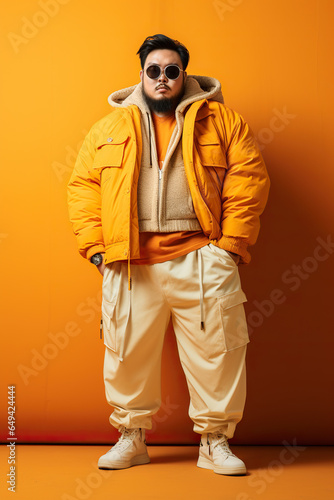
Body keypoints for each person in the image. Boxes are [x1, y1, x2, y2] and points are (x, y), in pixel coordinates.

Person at [67, 33, 270, 476]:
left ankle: (215, 442)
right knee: (125, 356)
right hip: (129, 261)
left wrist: (230, 248)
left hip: (202, 257)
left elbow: (249, 180)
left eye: (171, 71)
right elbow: (82, 188)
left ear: (185, 75)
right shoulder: (108, 129)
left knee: (218, 352)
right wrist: (98, 250)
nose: (162, 79)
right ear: (140, 74)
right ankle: (130, 437)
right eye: (153, 70)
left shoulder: (223, 122)